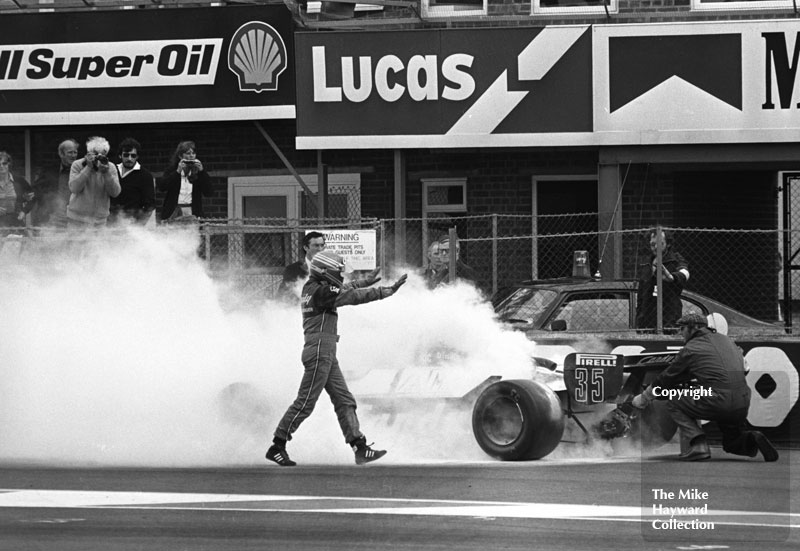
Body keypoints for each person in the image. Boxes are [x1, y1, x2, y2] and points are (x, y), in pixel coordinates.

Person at [267, 251, 408, 467]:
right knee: (305, 402)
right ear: (326, 271)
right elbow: (350, 296)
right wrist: (383, 291)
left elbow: (341, 291)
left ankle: (360, 448)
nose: (340, 274)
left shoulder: (312, 288)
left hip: (324, 351)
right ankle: (277, 446)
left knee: (344, 399)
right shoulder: (321, 290)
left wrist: (364, 282)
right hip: (320, 351)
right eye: (338, 270)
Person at [631, 313, 779, 462]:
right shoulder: (727, 341)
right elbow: (744, 369)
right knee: (732, 443)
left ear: (693, 328)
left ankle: (698, 444)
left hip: (717, 401)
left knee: (674, 401)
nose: (680, 333)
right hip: (742, 402)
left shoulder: (691, 348)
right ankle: (752, 437)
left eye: (682, 329)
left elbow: (667, 378)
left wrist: (644, 398)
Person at [635, 229, 689, 330]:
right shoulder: (647, 263)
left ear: (668, 244)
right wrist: (639, 319)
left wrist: (672, 277)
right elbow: (640, 295)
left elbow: (685, 273)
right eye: (652, 244)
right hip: (647, 323)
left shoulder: (676, 259)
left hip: (669, 321)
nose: (655, 247)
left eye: (660, 244)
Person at [66, 136, 121, 229]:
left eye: (102, 155)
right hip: (76, 220)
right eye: (95, 154)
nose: (99, 158)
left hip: (99, 222)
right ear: (89, 153)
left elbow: (115, 193)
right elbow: (74, 188)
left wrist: (106, 173)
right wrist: (88, 168)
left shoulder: (110, 167)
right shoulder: (78, 165)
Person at [157, 140, 212, 221]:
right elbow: (162, 187)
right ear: (180, 156)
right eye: (188, 153)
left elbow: (209, 192)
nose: (191, 156)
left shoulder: (198, 172)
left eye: (193, 153)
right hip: (173, 211)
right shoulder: (172, 170)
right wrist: (177, 172)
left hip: (192, 211)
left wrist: (202, 172)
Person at [31, 139, 79, 228]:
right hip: (53, 220)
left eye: (75, 152)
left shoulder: (82, 171)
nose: (73, 156)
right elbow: (35, 191)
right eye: (70, 153)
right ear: (61, 154)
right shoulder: (49, 171)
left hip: (76, 220)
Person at [109, 137, 155, 225]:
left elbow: (150, 205)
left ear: (137, 156)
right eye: (126, 155)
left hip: (131, 225)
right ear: (120, 155)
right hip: (109, 223)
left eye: (133, 155)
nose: (129, 158)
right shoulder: (112, 170)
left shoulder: (145, 175)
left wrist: (138, 226)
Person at [277, 231, 326, 300]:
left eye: (322, 245)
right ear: (306, 248)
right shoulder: (293, 270)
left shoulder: (332, 268)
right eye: (316, 245)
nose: (320, 249)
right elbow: (282, 296)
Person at [0, 151, 34, 233]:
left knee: (15, 245)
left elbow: (32, 197)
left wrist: (24, 211)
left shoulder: (19, 181)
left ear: (9, 164)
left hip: (15, 223)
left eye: (4, 163)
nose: (1, 166)